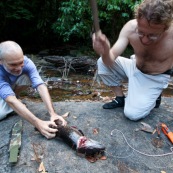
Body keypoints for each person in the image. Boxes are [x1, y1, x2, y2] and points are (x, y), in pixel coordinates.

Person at [92, 0, 173, 121]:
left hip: (154, 77)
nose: (145, 40)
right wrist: (105, 51)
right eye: (141, 33)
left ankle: (155, 97)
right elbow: (109, 61)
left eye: (152, 35)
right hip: (133, 66)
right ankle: (120, 98)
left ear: (165, 27)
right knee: (101, 61)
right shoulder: (130, 27)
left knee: (132, 114)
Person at [0, 41, 67, 138]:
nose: (19, 68)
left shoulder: (27, 62)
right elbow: (9, 99)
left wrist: (53, 113)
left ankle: (15, 101)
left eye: (21, 62)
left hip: (9, 87)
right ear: (1, 61)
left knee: (28, 76)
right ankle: (13, 105)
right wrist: (38, 123)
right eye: (13, 65)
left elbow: (40, 85)